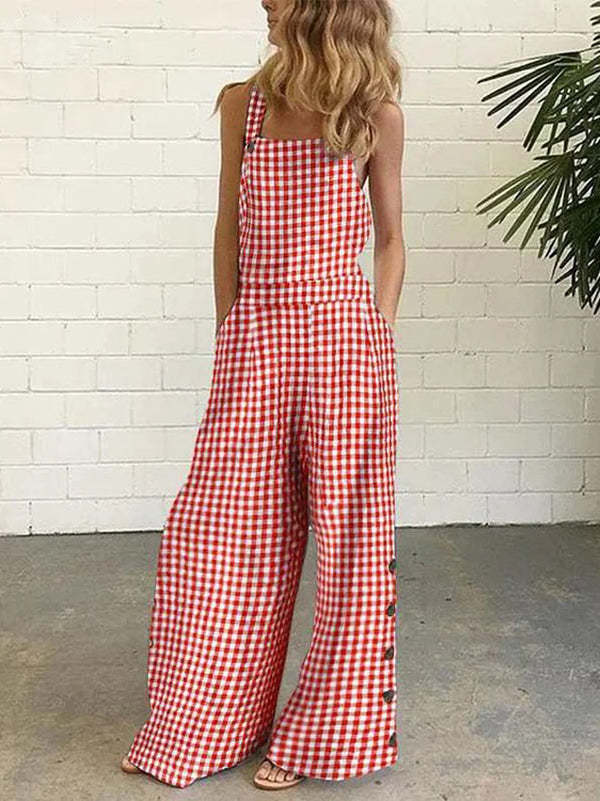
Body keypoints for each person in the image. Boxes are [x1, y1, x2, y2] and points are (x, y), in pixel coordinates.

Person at [120, 0, 405, 791]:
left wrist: (376, 333)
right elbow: (228, 229)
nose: (265, 3)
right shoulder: (243, 106)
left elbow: (391, 239)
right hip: (257, 337)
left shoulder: (375, 113)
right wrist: (231, 331)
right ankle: (200, 725)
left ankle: (321, 740)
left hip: (344, 344)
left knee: (349, 551)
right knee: (219, 537)